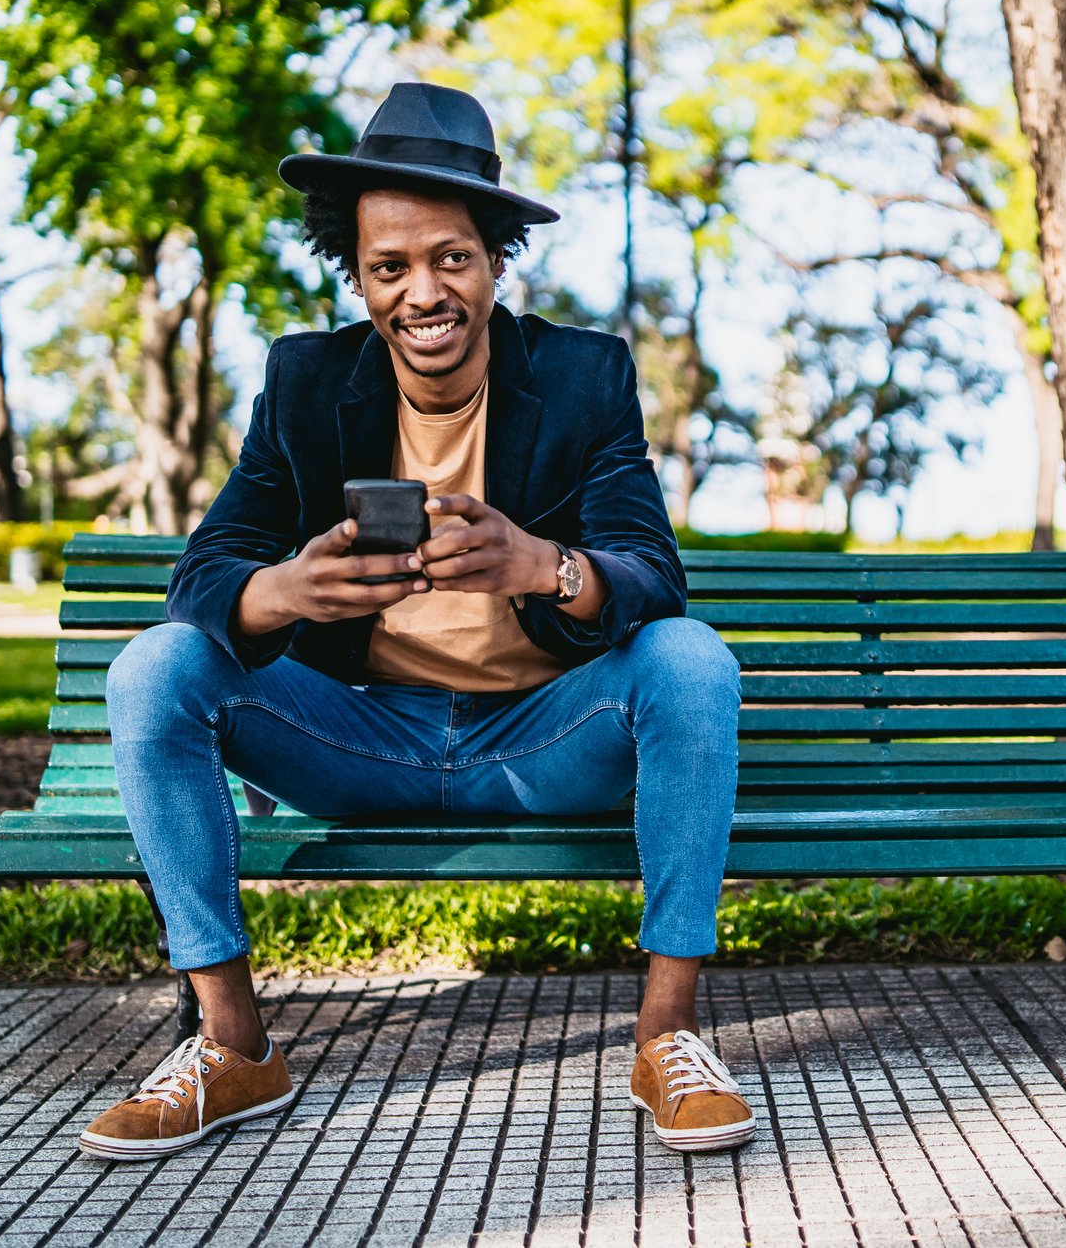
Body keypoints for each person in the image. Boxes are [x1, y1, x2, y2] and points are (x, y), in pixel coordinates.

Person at [76, 82, 752, 1162]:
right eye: (389, 267)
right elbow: (204, 571)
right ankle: (233, 1044)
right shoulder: (306, 381)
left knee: (688, 658)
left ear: (496, 261)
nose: (423, 292)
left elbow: (652, 576)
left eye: (452, 258)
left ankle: (667, 1035)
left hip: (543, 740)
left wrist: (544, 565)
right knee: (154, 669)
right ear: (358, 276)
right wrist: (286, 592)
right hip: (360, 735)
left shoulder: (584, 376)